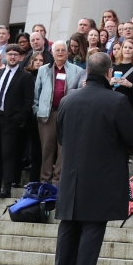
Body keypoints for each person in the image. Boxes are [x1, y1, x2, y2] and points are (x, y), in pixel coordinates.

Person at [51, 52, 133, 265]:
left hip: (71, 174)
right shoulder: (115, 101)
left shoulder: (68, 100)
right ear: (109, 73)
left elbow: (61, 136)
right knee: (92, 227)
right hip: (101, 175)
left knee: (68, 227)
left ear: (86, 72)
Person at [0, 44, 35, 199]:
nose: (12, 57)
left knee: (8, 154)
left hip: (10, 120)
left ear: (20, 57)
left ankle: (7, 187)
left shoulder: (25, 77)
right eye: (10, 54)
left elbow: (27, 102)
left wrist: (17, 118)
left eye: (15, 54)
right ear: (5, 56)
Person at [32, 42, 86, 185]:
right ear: (52, 52)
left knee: (64, 149)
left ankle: (58, 180)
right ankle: (45, 179)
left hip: (68, 115)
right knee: (47, 148)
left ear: (67, 53)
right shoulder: (44, 69)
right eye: (58, 50)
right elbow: (36, 92)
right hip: (47, 115)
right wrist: (37, 110)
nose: (60, 53)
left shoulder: (76, 70)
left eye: (63, 50)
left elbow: (81, 91)